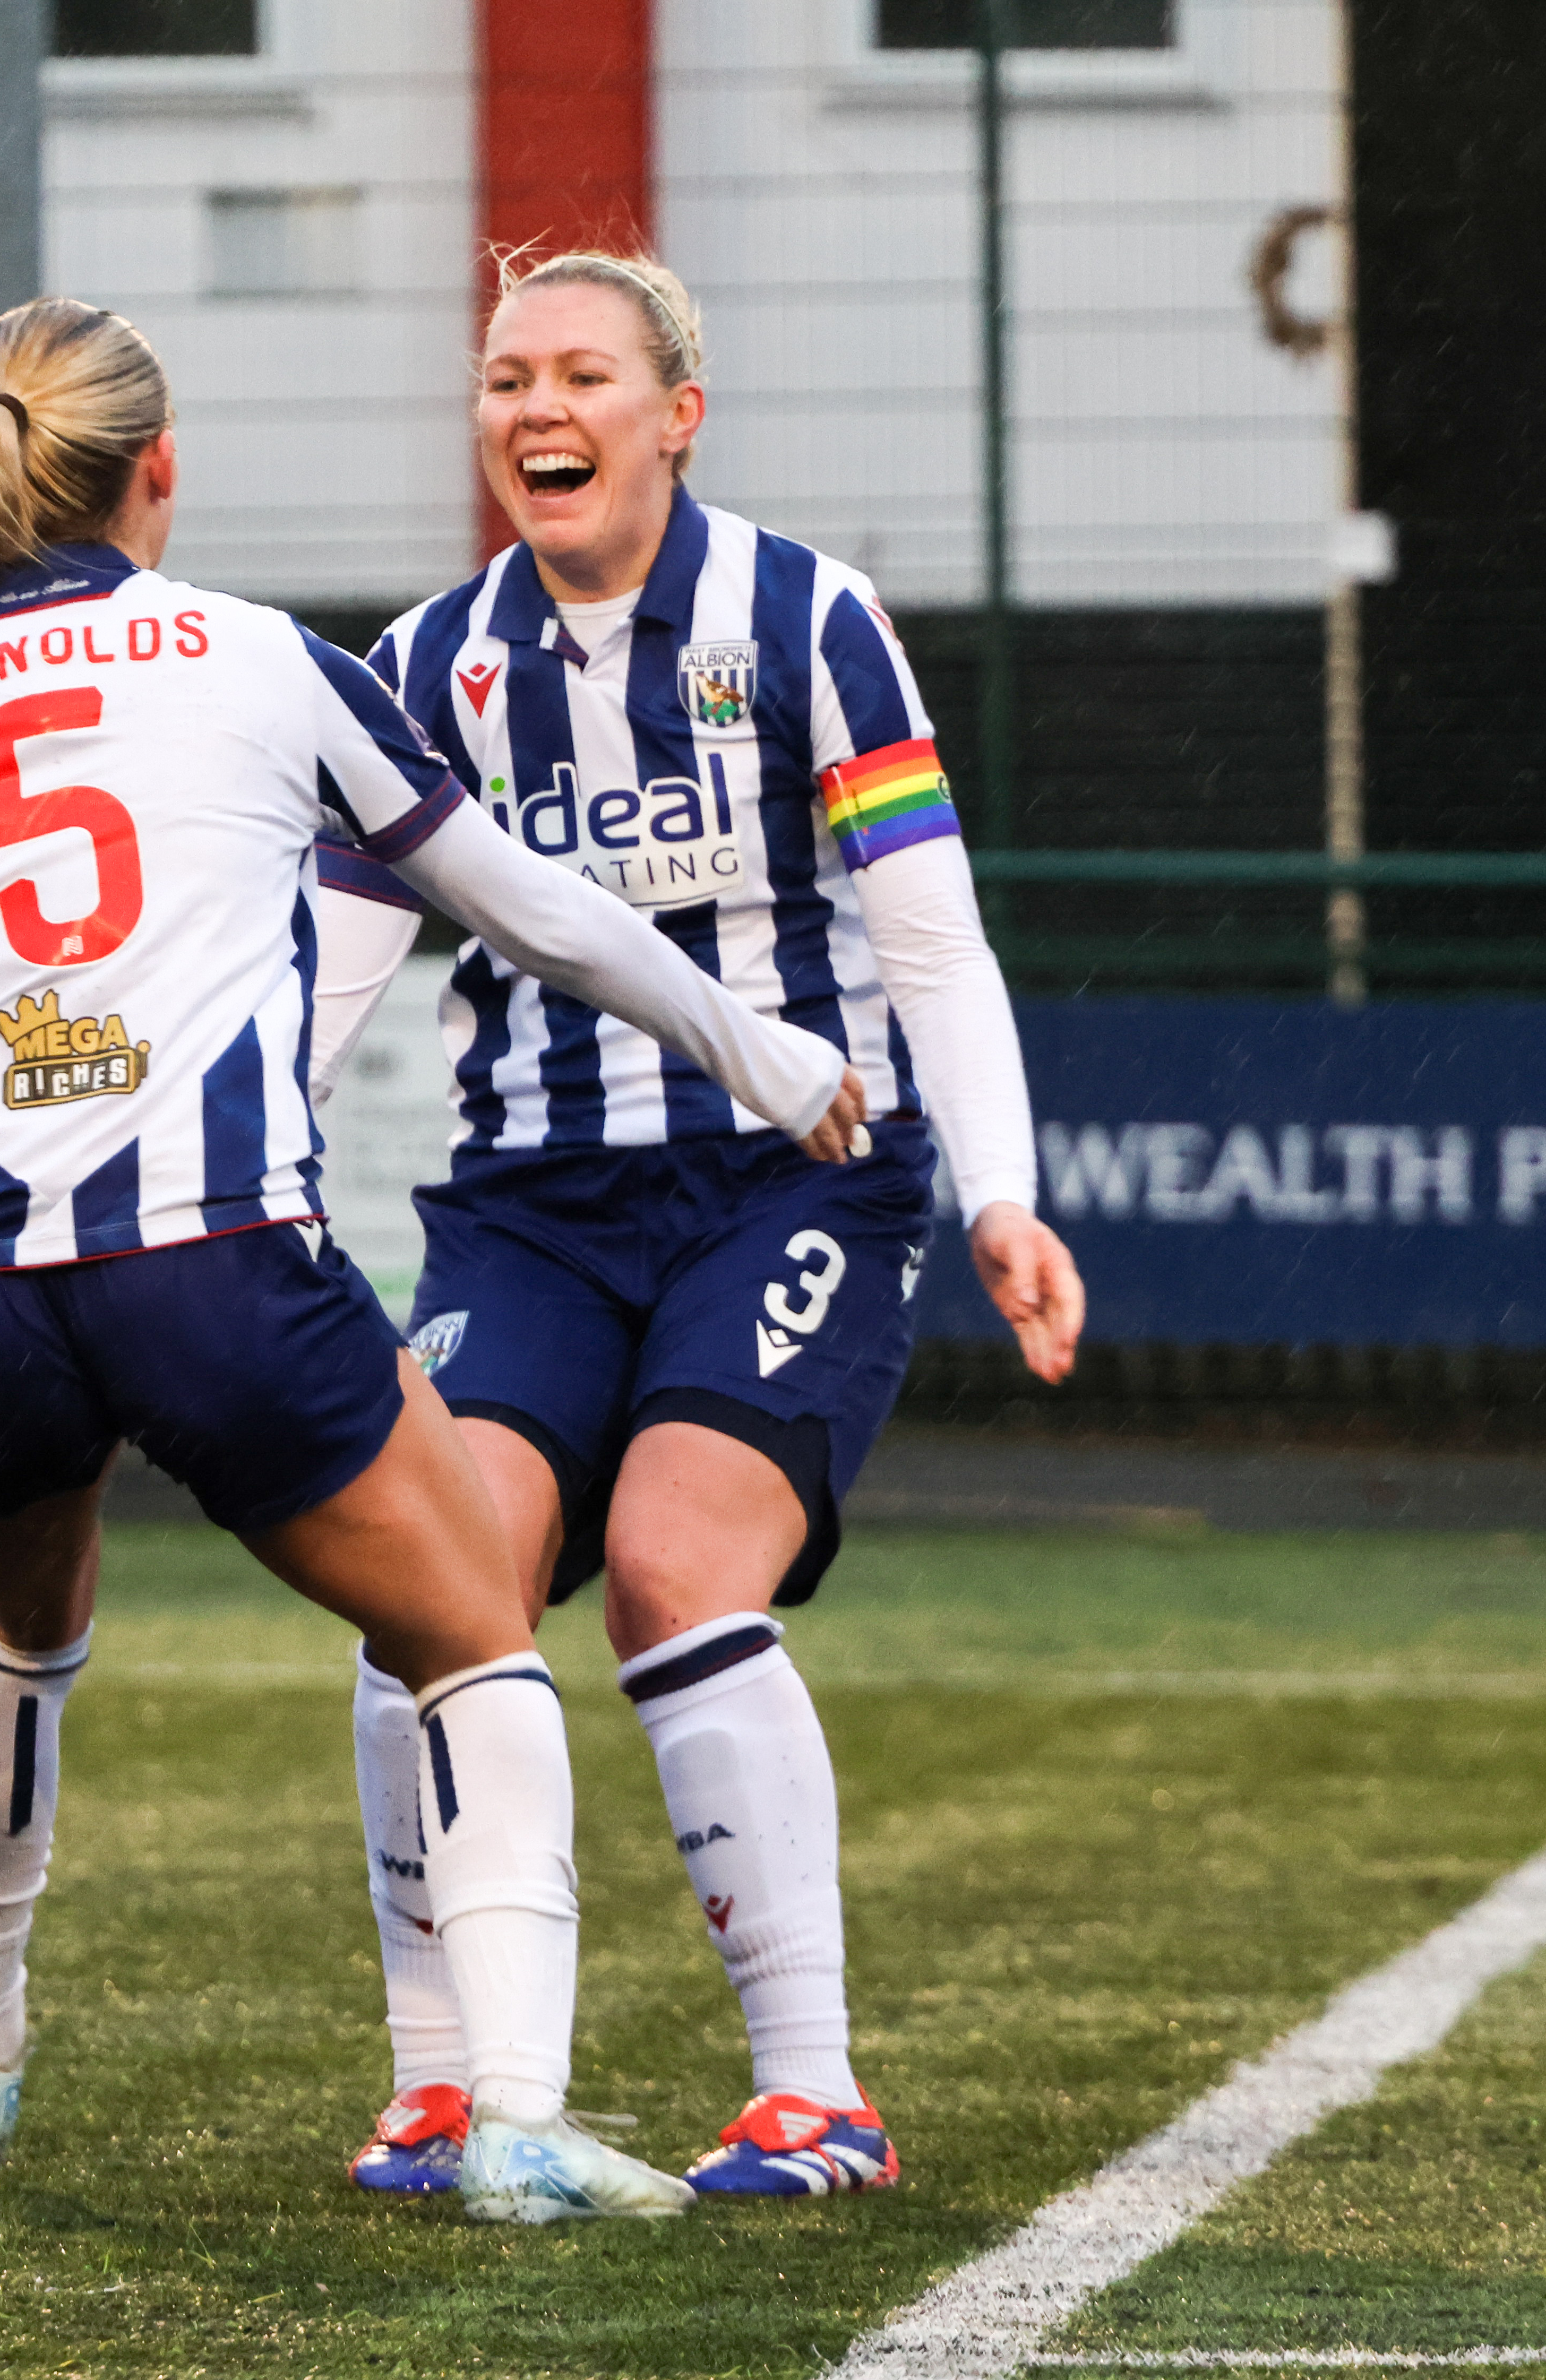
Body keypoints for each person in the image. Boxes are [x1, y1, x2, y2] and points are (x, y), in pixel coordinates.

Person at [0, 297, 879, 2223]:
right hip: (210, 1260)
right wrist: (763, 1046)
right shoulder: (263, 655)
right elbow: (531, 910)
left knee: (15, 1631)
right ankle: (512, 2115)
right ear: (162, 471)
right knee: (474, 1633)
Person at [304, 249, 1084, 2202]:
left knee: (668, 1566)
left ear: (677, 413)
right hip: (530, 1208)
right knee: (430, 1577)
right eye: (504, 379)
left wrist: (1002, 1192)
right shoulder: (426, 665)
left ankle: (812, 2090)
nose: (535, 410)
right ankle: (437, 2084)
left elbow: (929, 940)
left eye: (580, 374)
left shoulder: (812, 622)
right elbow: (322, 973)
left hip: (788, 1180)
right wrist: (230, 1174)